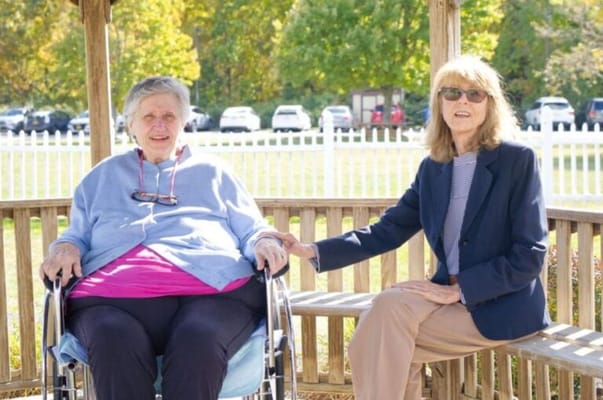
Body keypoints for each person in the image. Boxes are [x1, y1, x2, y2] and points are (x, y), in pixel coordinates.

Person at [267, 55, 550, 399]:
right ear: (439, 103)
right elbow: (388, 230)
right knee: (386, 325)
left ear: (489, 105)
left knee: (379, 339)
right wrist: (311, 250)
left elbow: (530, 256)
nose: (463, 101)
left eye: (475, 94)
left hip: (500, 305)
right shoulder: (433, 169)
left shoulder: (516, 161)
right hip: (447, 299)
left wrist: (458, 291)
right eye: (452, 93)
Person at [39, 76, 288, 400]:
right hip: (110, 300)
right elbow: (77, 234)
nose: (160, 125)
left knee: (198, 337)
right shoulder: (101, 177)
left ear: (183, 121)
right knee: (112, 336)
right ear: (131, 124)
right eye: (149, 117)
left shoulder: (215, 173)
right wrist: (64, 248)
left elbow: (251, 227)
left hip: (213, 294)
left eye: (169, 116)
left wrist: (264, 241)